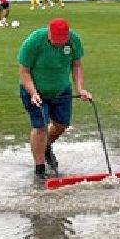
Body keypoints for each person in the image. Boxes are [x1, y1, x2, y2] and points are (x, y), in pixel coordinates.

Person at [17, 18, 92, 177]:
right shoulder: (35, 40)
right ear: (49, 33)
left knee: (62, 124)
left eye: (61, 41)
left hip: (61, 89)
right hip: (36, 90)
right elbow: (24, 71)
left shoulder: (73, 40)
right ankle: (40, 167)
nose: (58, 44)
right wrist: (33, 93)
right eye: (55, 40)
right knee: (40, 126)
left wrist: (80, 88)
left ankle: (45, 146)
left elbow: (77, 65)